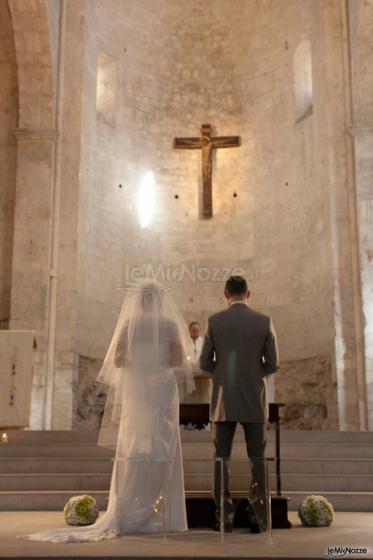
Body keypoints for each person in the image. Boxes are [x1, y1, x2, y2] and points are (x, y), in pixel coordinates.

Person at [21, 280, 194, 542]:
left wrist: (140, 366)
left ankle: (127, 509)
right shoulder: (169, 325)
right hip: (160, 389)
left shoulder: (129, 325)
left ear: (139, 300)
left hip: (137, 391)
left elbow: (118, 361)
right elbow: (178, 361)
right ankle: (162, 514)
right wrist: (155, 364)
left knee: (133, 446)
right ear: (159, 300)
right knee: (163, 446)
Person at [199, 276, 279, 533]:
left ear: (226, 295)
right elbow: (274, 363)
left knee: (221, 458)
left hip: (224, 399)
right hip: (254, 397)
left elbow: (203, 362)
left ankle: (224, 517)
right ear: (248, 293)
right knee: (258, 458)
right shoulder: (264, 320)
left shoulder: (214, 321)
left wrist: (222, 374)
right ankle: (260, 517)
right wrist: (256, 374)